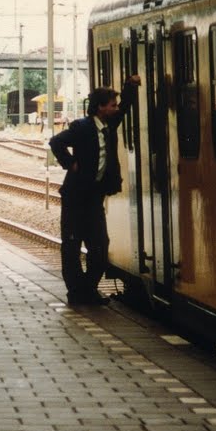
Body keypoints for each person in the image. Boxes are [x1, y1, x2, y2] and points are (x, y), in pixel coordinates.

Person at [49, 75, 141, 305]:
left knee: (100, 245)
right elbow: (56, 142)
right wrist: (70, 163)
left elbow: (125, 108)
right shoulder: (81, 127)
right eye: (112, 105)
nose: (116, 108)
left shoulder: (109, 124)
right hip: (75, 196)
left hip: (94, 197)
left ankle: (88, 289)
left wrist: (130, 85)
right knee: (72, 244)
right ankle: (76, 292)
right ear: (100, 108)